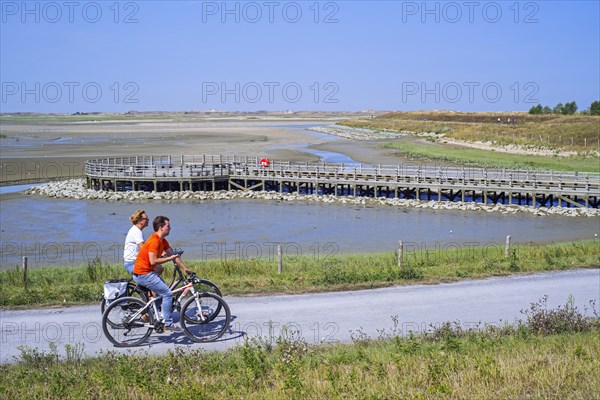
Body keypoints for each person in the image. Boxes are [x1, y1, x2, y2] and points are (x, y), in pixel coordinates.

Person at [133, 215, 192, 332]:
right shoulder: (155, 241)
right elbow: (153, 261)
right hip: (143, 274)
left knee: (161, 294)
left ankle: (146, 315)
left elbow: (173, 255)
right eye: (168, 226)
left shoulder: (162, 240)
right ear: (161, 227)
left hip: (148, 272)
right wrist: (170, 258)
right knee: (167, 294)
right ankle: (168, 323)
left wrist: (185, 268)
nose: (170, 228)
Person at [123, 210, 149, 274]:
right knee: (157, 269)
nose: (148, 219)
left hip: (135, 262)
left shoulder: (137, 230)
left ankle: (144, 283)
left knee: (159, 268)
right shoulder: (136, 231)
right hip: (132, 263)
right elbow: (143, 249)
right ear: (140, 220)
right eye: (146, 218)